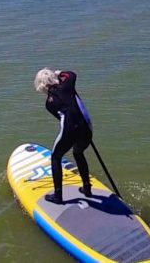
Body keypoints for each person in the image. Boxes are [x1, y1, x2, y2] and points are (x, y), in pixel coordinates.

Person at [34, 68, 94, 203]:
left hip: (71, 129)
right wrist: (59, 73)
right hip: (87, 128)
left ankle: (58, 196)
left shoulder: (48, 104)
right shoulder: (67, 85)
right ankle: (87, 188)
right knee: (78, 153)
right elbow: (72, 74)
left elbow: (63, 120)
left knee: (56, 157)